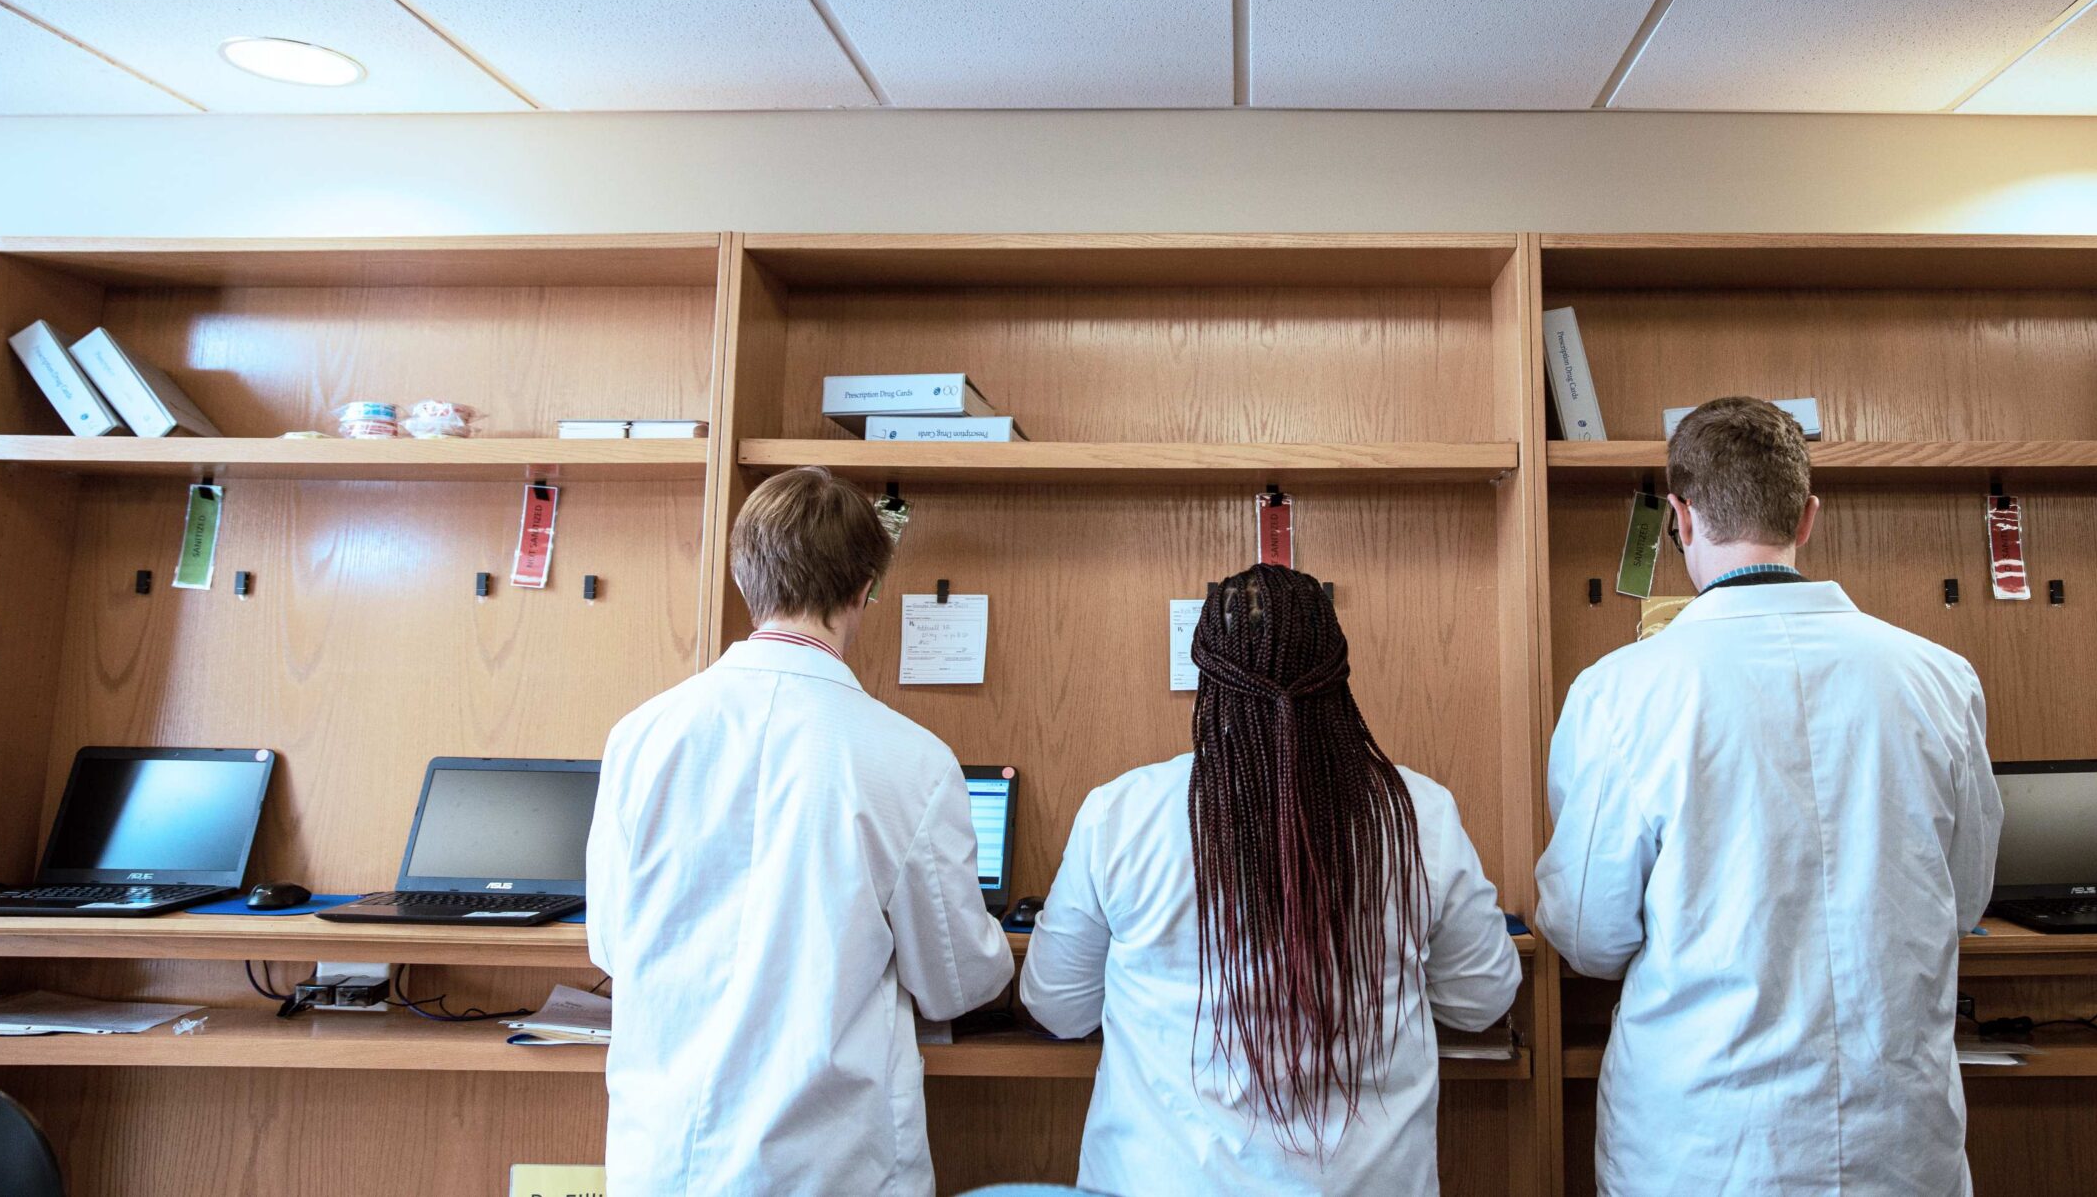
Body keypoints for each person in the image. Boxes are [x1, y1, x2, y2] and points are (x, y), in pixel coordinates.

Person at [1536, 397, 2000, 1197]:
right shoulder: (1938, 678)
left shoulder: (1623, 691)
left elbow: (1590, 935)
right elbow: (1964, 898)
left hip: (1706, 1147)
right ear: (1807, 516)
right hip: (1898, 1143)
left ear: (1680, 517)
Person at [1019, 563, 1522, 1196]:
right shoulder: (1418, 814)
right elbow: (1482, 1001)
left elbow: (1058, 1007)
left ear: (1208, 682)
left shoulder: (1120, 814)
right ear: (1338, 677)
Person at [588, 467, 1013, 1197]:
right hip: (831, 1164)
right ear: (865, 590)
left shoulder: (640, 736)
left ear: (742, 577)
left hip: (664, 1159)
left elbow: (611, 945)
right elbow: (955, 982)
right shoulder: (912, 760)